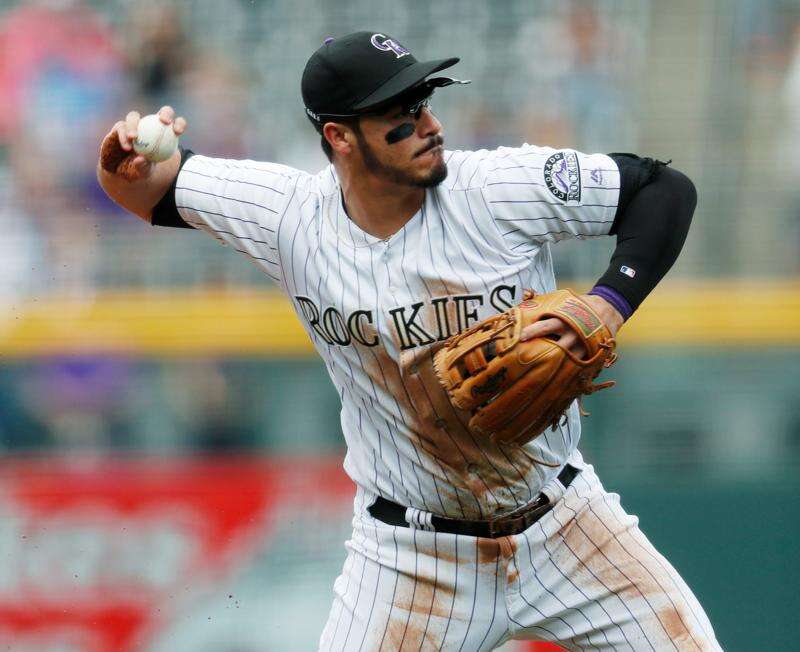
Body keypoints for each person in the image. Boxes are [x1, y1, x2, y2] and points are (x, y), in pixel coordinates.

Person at [98, 30, 721, 651]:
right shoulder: (289, 216)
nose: (428, 124)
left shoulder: (493, 188)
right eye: (399, 115)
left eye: (425, 102)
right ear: (340, 137)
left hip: (565, 523)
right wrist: (123, 160)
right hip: (409, 557)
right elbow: (148, 187)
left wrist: (608, 305)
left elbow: (662, 190)